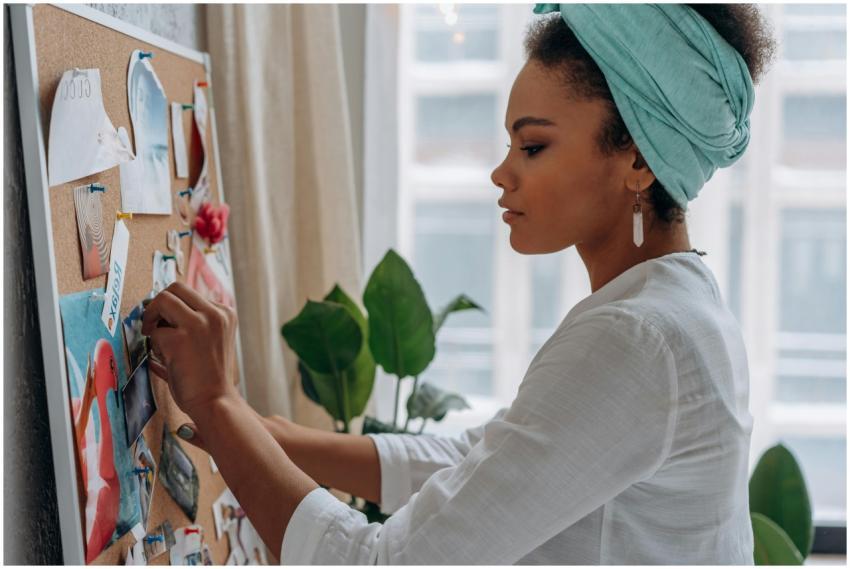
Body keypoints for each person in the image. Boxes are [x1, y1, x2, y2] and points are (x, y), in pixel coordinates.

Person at [142, 4, 777, 564]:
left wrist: (220, 408)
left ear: (637, 159)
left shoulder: (637, 338)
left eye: (532, 147)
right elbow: (483, 460)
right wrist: (277, 439)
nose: (502, 173)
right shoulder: (681, 308)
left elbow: (381, 563)